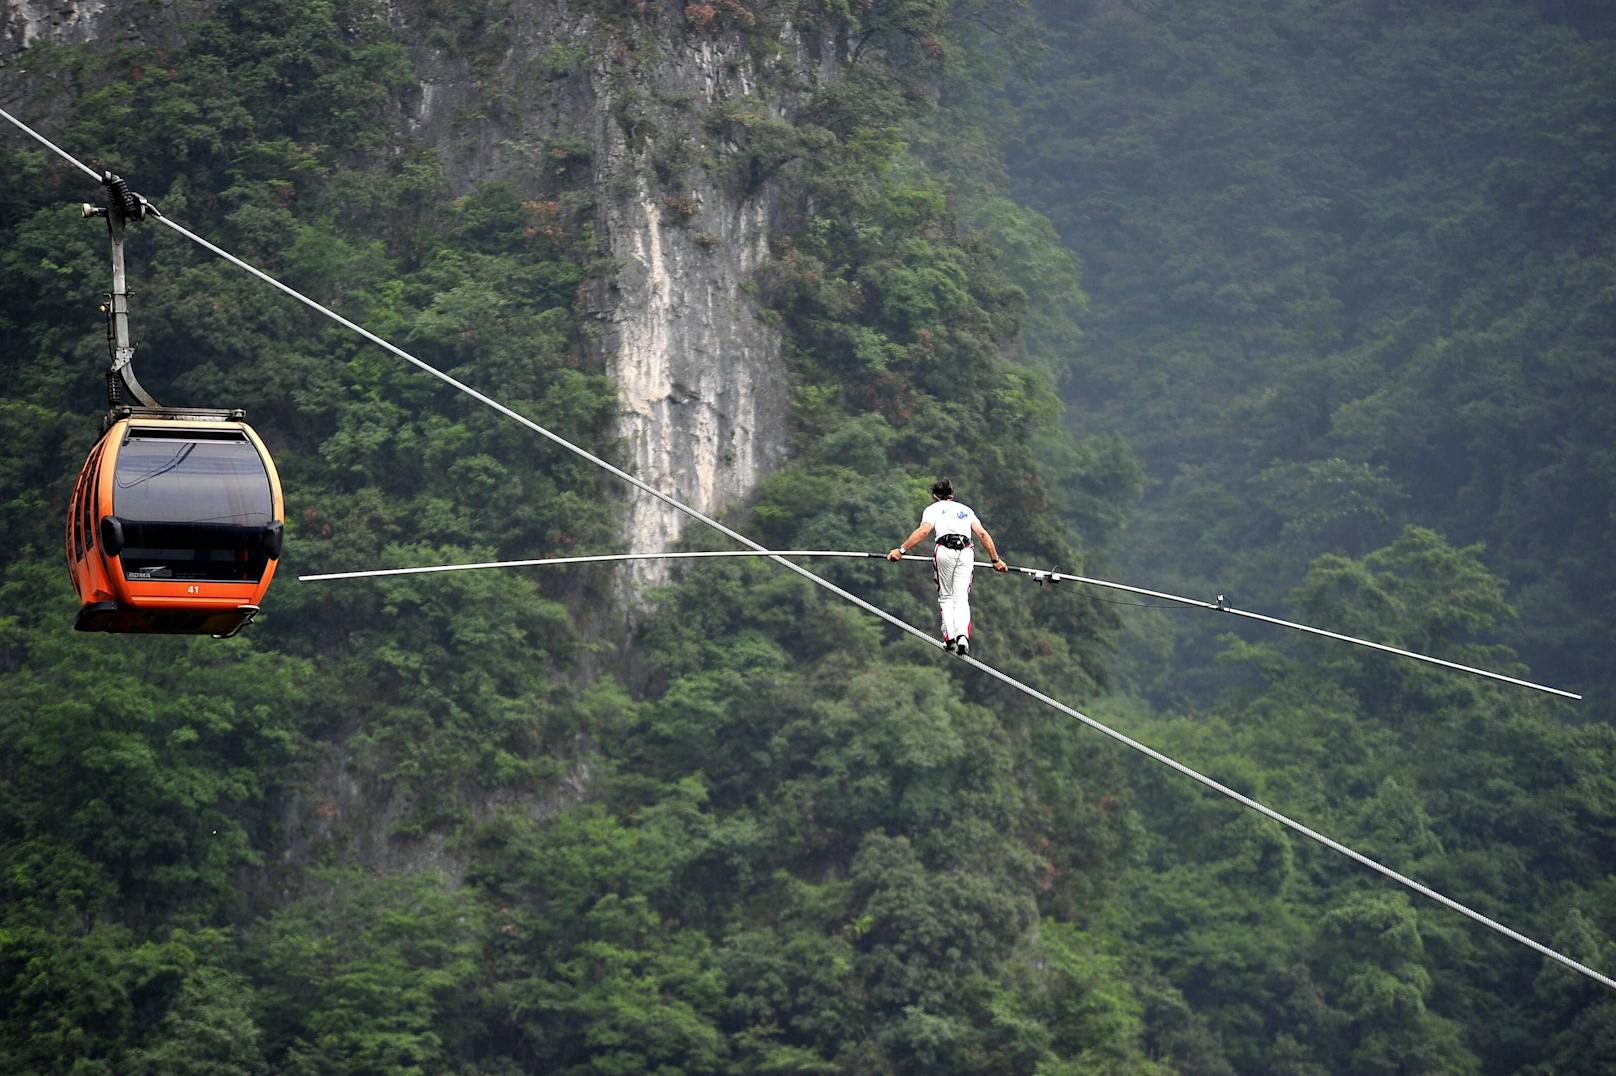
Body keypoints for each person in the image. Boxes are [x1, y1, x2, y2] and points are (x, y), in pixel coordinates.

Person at [887, 478, 1007, 655]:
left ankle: (949, 638)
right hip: (966, 552)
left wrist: (900, 550)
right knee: (961, 597)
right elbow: (982, 533)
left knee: (946, 597)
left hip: (944, 551)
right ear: (952, 495)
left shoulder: (932, 509)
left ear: (935, 496)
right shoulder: (966, 510)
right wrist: (996, 560)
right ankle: (963, 638)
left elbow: (923, 531)